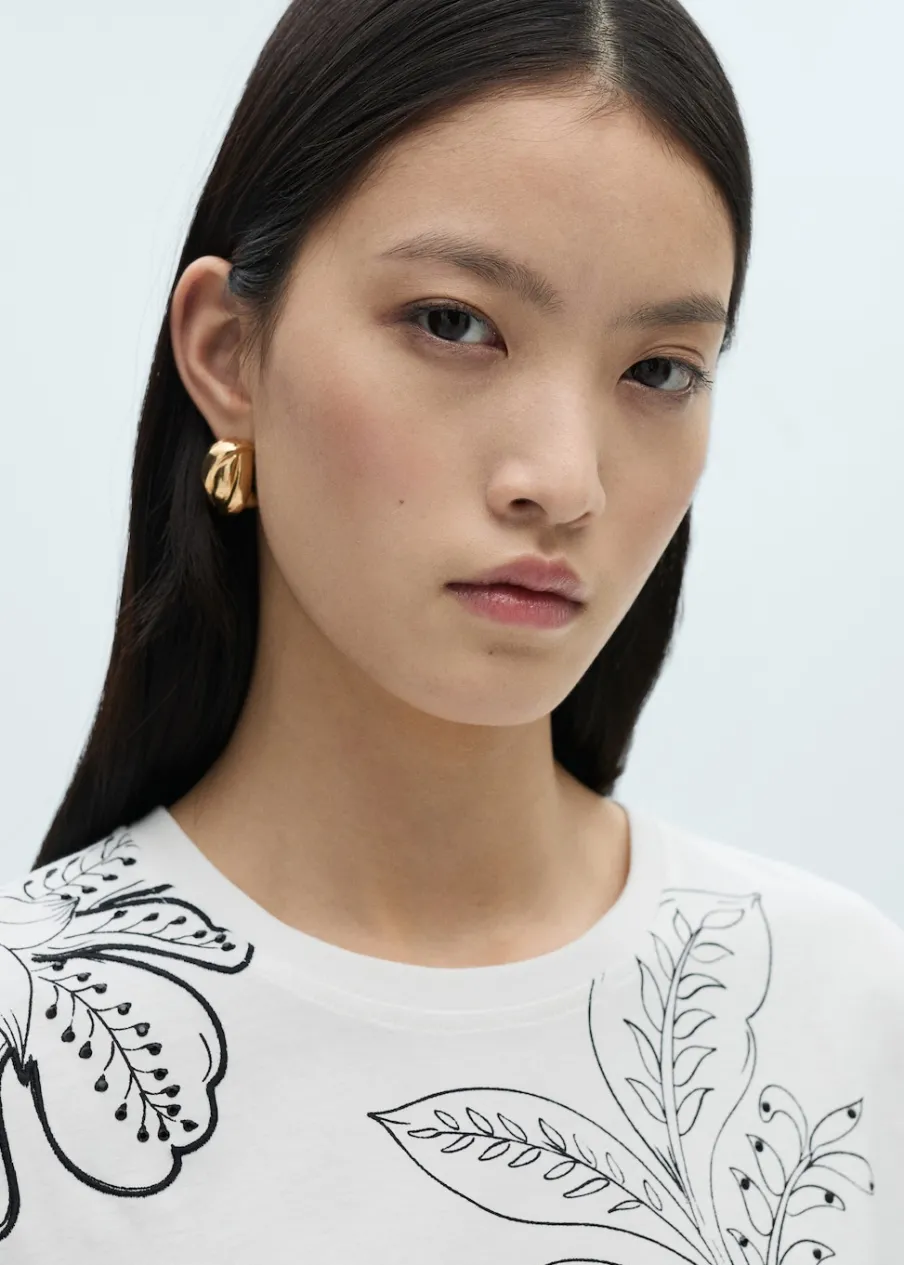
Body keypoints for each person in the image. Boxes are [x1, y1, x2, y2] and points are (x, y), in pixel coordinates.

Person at [5, 0, 902, 1259]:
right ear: (228, 353)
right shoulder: (31, 1046)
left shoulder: (839, 1015)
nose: (564, 480)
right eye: (452, 322)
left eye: (658, 369)